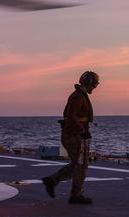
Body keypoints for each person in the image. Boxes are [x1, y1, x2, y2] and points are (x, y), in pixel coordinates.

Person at [42, 71, 99, 204]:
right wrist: (81, 130)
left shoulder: (80, 95)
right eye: (94, 85)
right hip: (74, 136)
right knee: (80, 165)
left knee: (80, 165)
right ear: (89, 83)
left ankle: (52, 181)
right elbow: (71, 116)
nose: (94, 88)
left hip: (76, 134)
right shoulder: (78, 97)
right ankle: (75, 194)